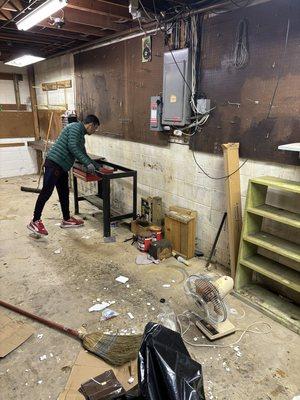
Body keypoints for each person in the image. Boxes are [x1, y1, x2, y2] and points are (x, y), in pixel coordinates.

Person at [28, 114, 100, 236]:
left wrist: (96, 165)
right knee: (46, 192)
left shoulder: (80, 135)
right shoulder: (75, 128)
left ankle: (66, 219)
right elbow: (73, 147)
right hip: (54, 163)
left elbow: (82, 152)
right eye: (95, 128)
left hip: (61, 167)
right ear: (91, 125)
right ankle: (35, 221)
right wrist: (87, 163)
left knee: (64, 192)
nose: (95, 131)